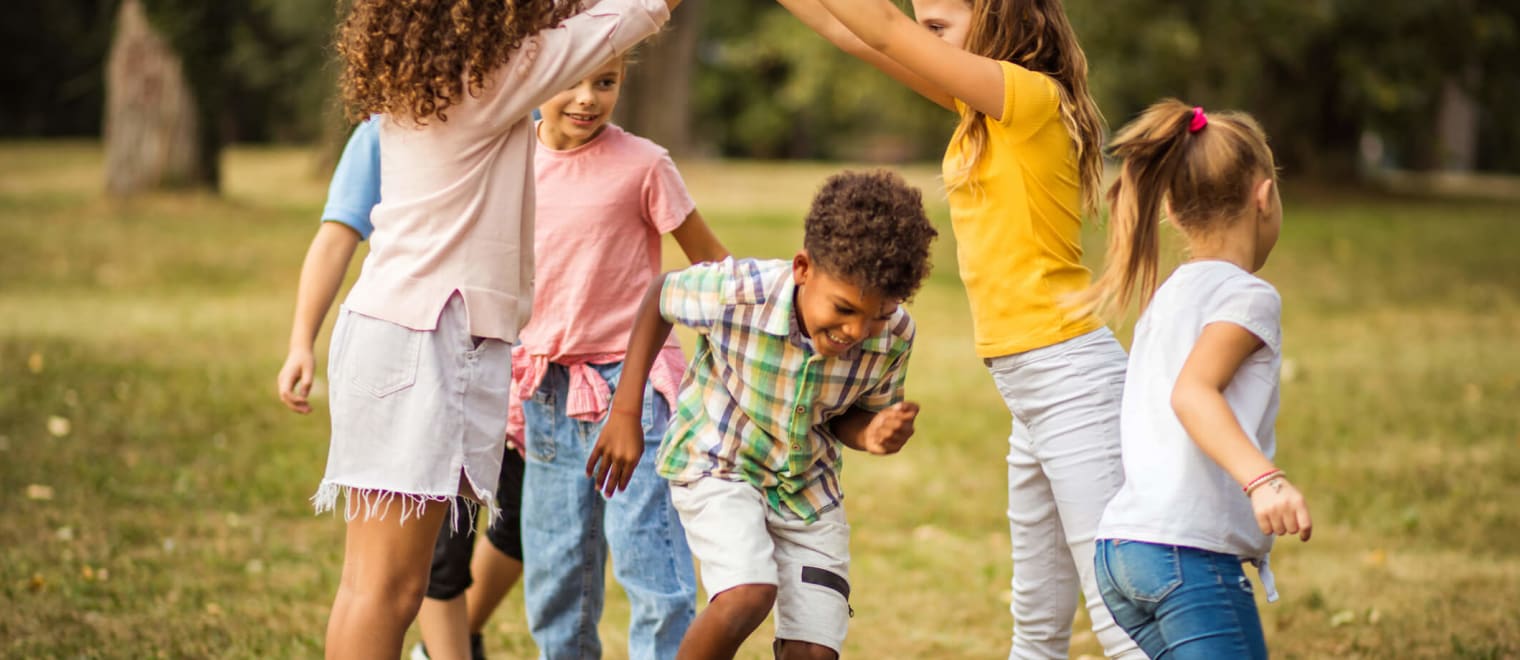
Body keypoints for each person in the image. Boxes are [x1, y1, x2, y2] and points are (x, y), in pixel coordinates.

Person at [307, 0, 678, 656]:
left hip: (391, 330)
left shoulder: (425, 80)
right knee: (388, 591)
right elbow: (635, 13)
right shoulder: (496, 81)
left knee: (369, 584)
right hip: (424, 340)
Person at [776, 1, 1140, 657]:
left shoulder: (1026, 97)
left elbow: (885, 29)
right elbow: (855, 34)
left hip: (1071, 379)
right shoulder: (983, 107)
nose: (922, 38)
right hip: (1033, 386)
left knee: (1120, 617)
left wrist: (896, 32)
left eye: (937, 27)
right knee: (1036, 623)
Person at [587, 170, 938, 660]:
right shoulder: (739, 291)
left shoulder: (895, 336)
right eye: (843, 308)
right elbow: (661, 295)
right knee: (747, 593)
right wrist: (624, 411)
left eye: (877, 315)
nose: (857, 330)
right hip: (717, 462)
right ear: (802, 268)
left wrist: (873, 433)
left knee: (814, 651)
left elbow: (846, 417)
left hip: (808, 492)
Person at [275, 118, 526, 660]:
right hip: (426, 358)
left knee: (388, 584)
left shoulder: (521, 117)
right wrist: (301, 341)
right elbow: (336, 235)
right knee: (391, 584)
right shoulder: (384, 132)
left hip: (496, 365)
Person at [511, 53, 728, 660]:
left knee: (655, 576)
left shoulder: (644, 165)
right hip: (547, 390)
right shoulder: (507, 158)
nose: (587, 98)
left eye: (604, 82)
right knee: (556, 580)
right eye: (570, 80)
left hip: (634, 389)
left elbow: (713, 262)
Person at [1080, 100, 1311, 660]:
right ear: (1264, 197)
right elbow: (1192, 392)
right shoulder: (1248, 296)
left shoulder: (1171, 294)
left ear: (1176, 215)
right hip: (1185, 553)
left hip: (1123, 552)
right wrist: (1264, 480)